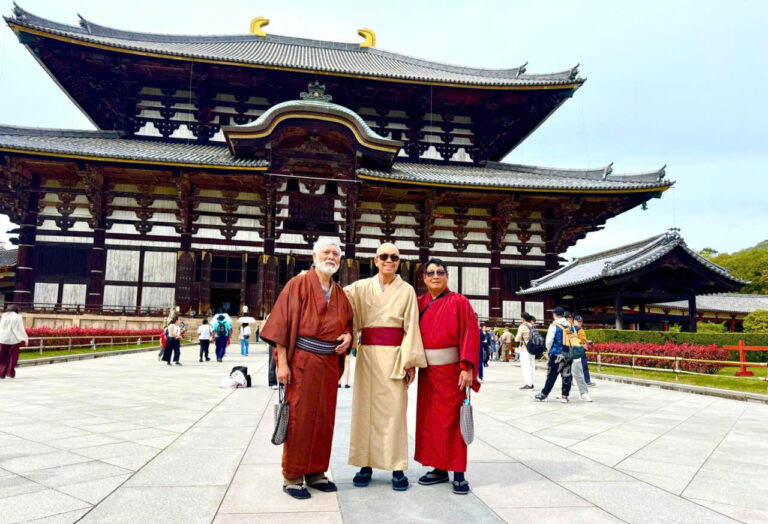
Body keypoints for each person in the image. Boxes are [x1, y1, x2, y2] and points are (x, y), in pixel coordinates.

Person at [260, 237, 354, 500]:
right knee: (299, 419)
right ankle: (292, 475)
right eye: (326, 252)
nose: (331, 257)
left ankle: (316, 472)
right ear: (314, 256)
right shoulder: (297, 284)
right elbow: (281, 325)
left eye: (335, 253)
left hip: (328, 364)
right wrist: (282, 364)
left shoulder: (340, 293)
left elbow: (348, 324)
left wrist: (348, 337)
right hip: (302, 361)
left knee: (325, 419)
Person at [344, 242, 427, 491]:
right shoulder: (360, 287)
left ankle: (397, 466)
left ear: (399, 262)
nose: (389, 260)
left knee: (394, 413)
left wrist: (410, 362)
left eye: (394, 257)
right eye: (384, 256)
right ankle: (365, 464)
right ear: (376, 260)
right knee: (364, 410)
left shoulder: (407, 290)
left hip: (395, 356)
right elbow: (336, 298)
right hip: (367, 356)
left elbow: (412, 327)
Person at [415, 258, 480, 495]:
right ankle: (439, 468)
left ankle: (459, 472)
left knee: (453, 421)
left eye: (440, 272)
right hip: (427, 373)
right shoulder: (418, 303)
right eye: (431, 272)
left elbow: (470, 334)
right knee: (431, 422)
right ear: (424, 278)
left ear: (447, 276)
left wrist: (467, 367)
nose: (435, 276)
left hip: (453, 372)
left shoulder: (460, 302)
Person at [534, 307, 572, 403]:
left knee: (552, 375)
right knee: (567, 375)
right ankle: (565, 396)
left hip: (556, 354)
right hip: (568, 354)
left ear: (554, 315)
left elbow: (549, 341)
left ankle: (544, 394)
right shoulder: (570, 325)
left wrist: (549, 350)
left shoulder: (554, 325)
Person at [0, 305, 28, 379]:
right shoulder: (18, 317)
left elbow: (1, 327)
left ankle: (1, 373)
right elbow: (19, 329)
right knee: (13, 357)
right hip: (14, 340)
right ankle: (10, 373)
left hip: (2, 339)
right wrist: (24, 338)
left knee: (2, 357)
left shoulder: (4, 315)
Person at [572, 315, 594, 400]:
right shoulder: (579, 329)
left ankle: (573, 383)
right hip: (579, 351)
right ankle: (585, 385)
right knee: (581, 368)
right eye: (578, 321)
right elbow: (582, 340)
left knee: (575, 368)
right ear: (574, 321)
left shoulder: (571, 329)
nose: (580, 323)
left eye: (581, 322)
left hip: (573, 351)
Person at [516, 313, 536, 390]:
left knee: (525, 366)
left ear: (523, 319)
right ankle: (531, 383)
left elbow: (517, 338)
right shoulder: (532, 326)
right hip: (532, 348)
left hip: (525, 348)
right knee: (532, 365)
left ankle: (528, 384)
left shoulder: (522, 326)